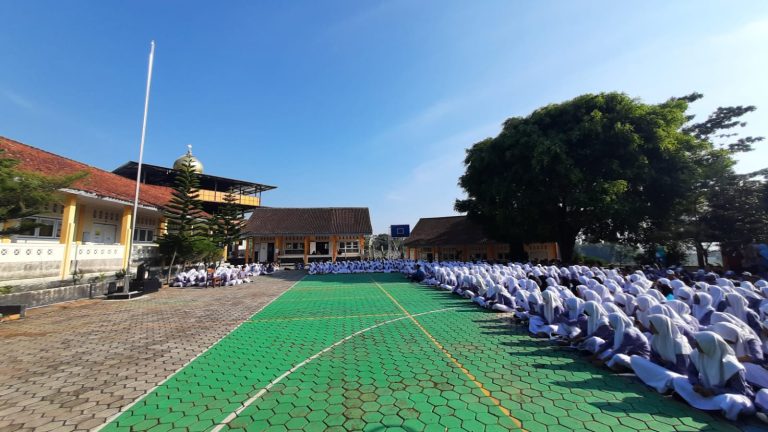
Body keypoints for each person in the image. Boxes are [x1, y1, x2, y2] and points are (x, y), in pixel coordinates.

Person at [672, 332, 755, 420]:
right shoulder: (697, 354)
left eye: (698, 343)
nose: (695, 345)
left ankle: (705, 405)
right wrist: (696, 384)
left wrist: (713, 391)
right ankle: (710, 407)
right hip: (704, 390)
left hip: (724, 395)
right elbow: (691, 373)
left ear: (709, 345)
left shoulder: (732, 366)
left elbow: (739, 391)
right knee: (678, 380)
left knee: (731, 401)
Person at [631, 314, 691, 393]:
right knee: (635, 359)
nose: (649, 327)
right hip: (660, 370)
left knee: (671, 378)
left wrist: (667, 364)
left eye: (652, 325)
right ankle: (660, 382)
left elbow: (683, 369)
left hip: (675, 374)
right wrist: (660, 364)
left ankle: (661, 382)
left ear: (660, 326)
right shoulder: (656, 338)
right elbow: (653, 358)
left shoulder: (679, 343)